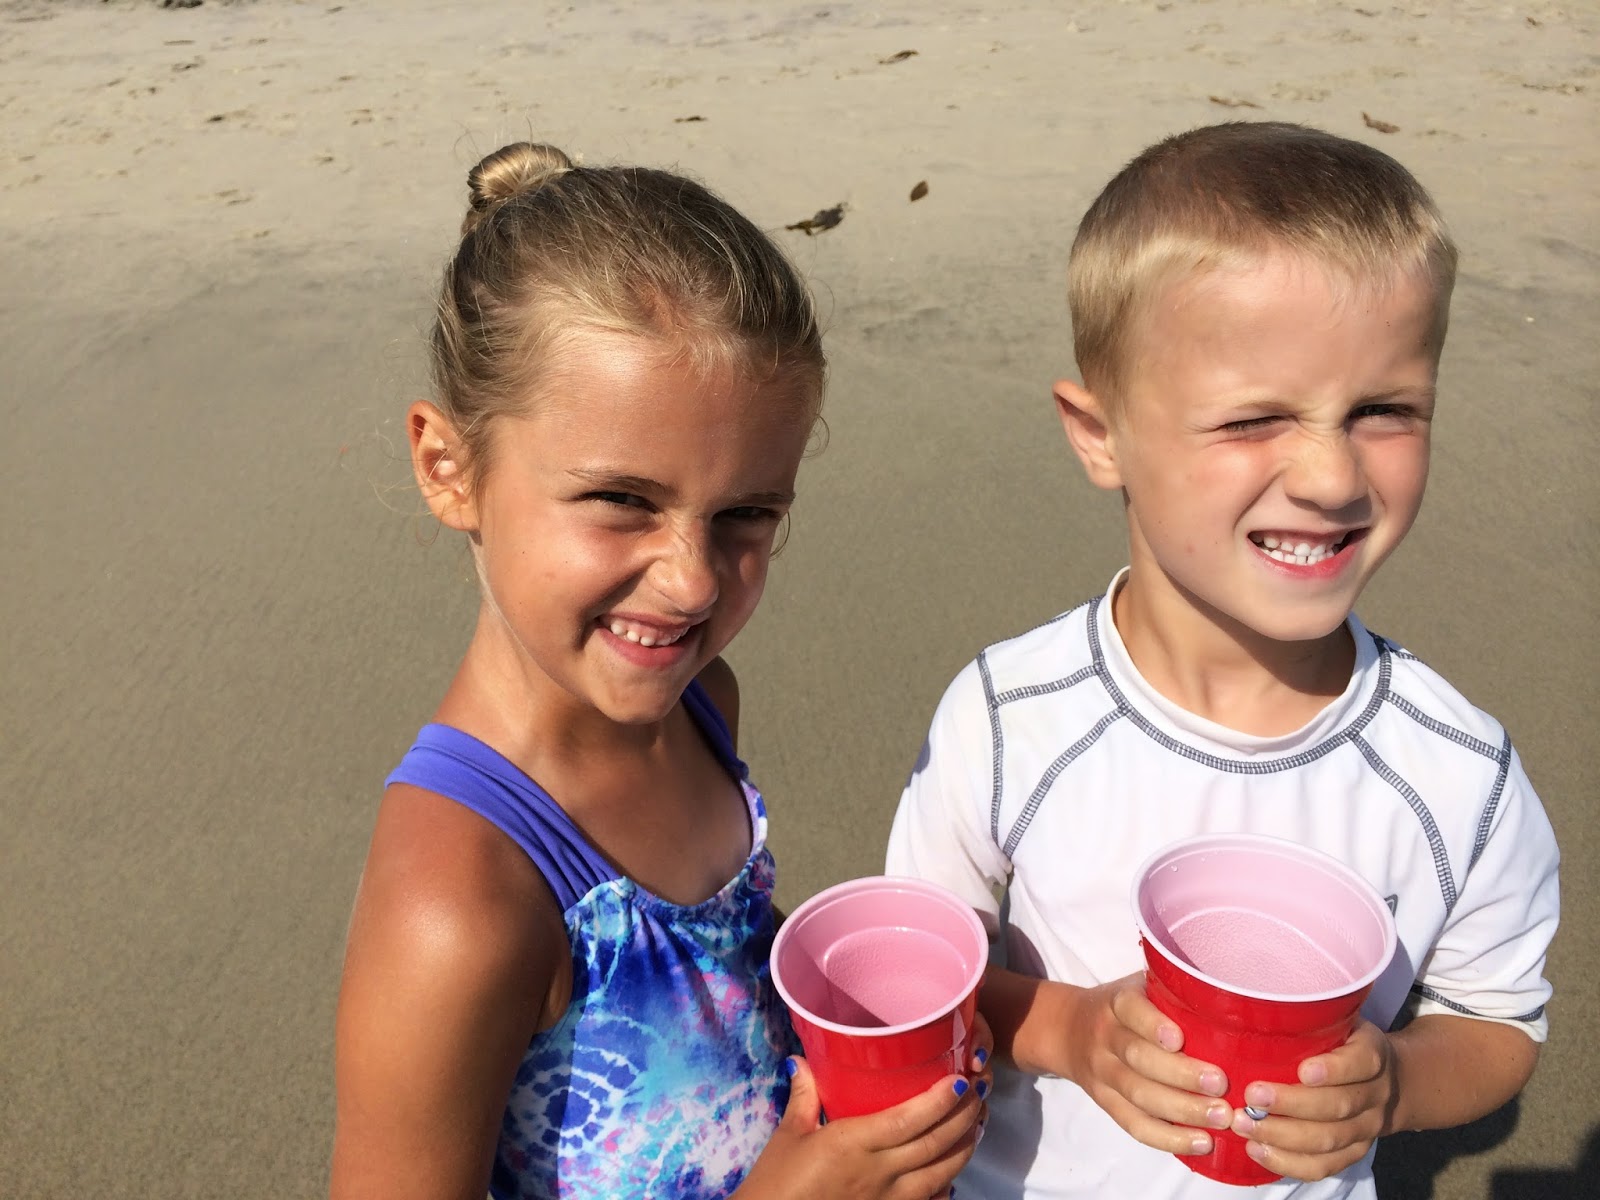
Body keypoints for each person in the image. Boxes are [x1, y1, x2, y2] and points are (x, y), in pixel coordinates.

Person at [886, 121, 1559, 1199]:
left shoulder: (1457, 771)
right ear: (1100, 435)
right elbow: (919, 973)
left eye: (1383, 410)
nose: (1331, 476)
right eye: (1253, 419)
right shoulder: (1010, 718)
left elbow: (1496, 1022)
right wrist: (1070, 1031)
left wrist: (1392, 1085)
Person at [331, 142, 989, 1200]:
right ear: (448, 468)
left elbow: (713, 985)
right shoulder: (460, 901)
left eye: (746, 514)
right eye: (621, 500)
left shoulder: (699, 708)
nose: (691, 582)